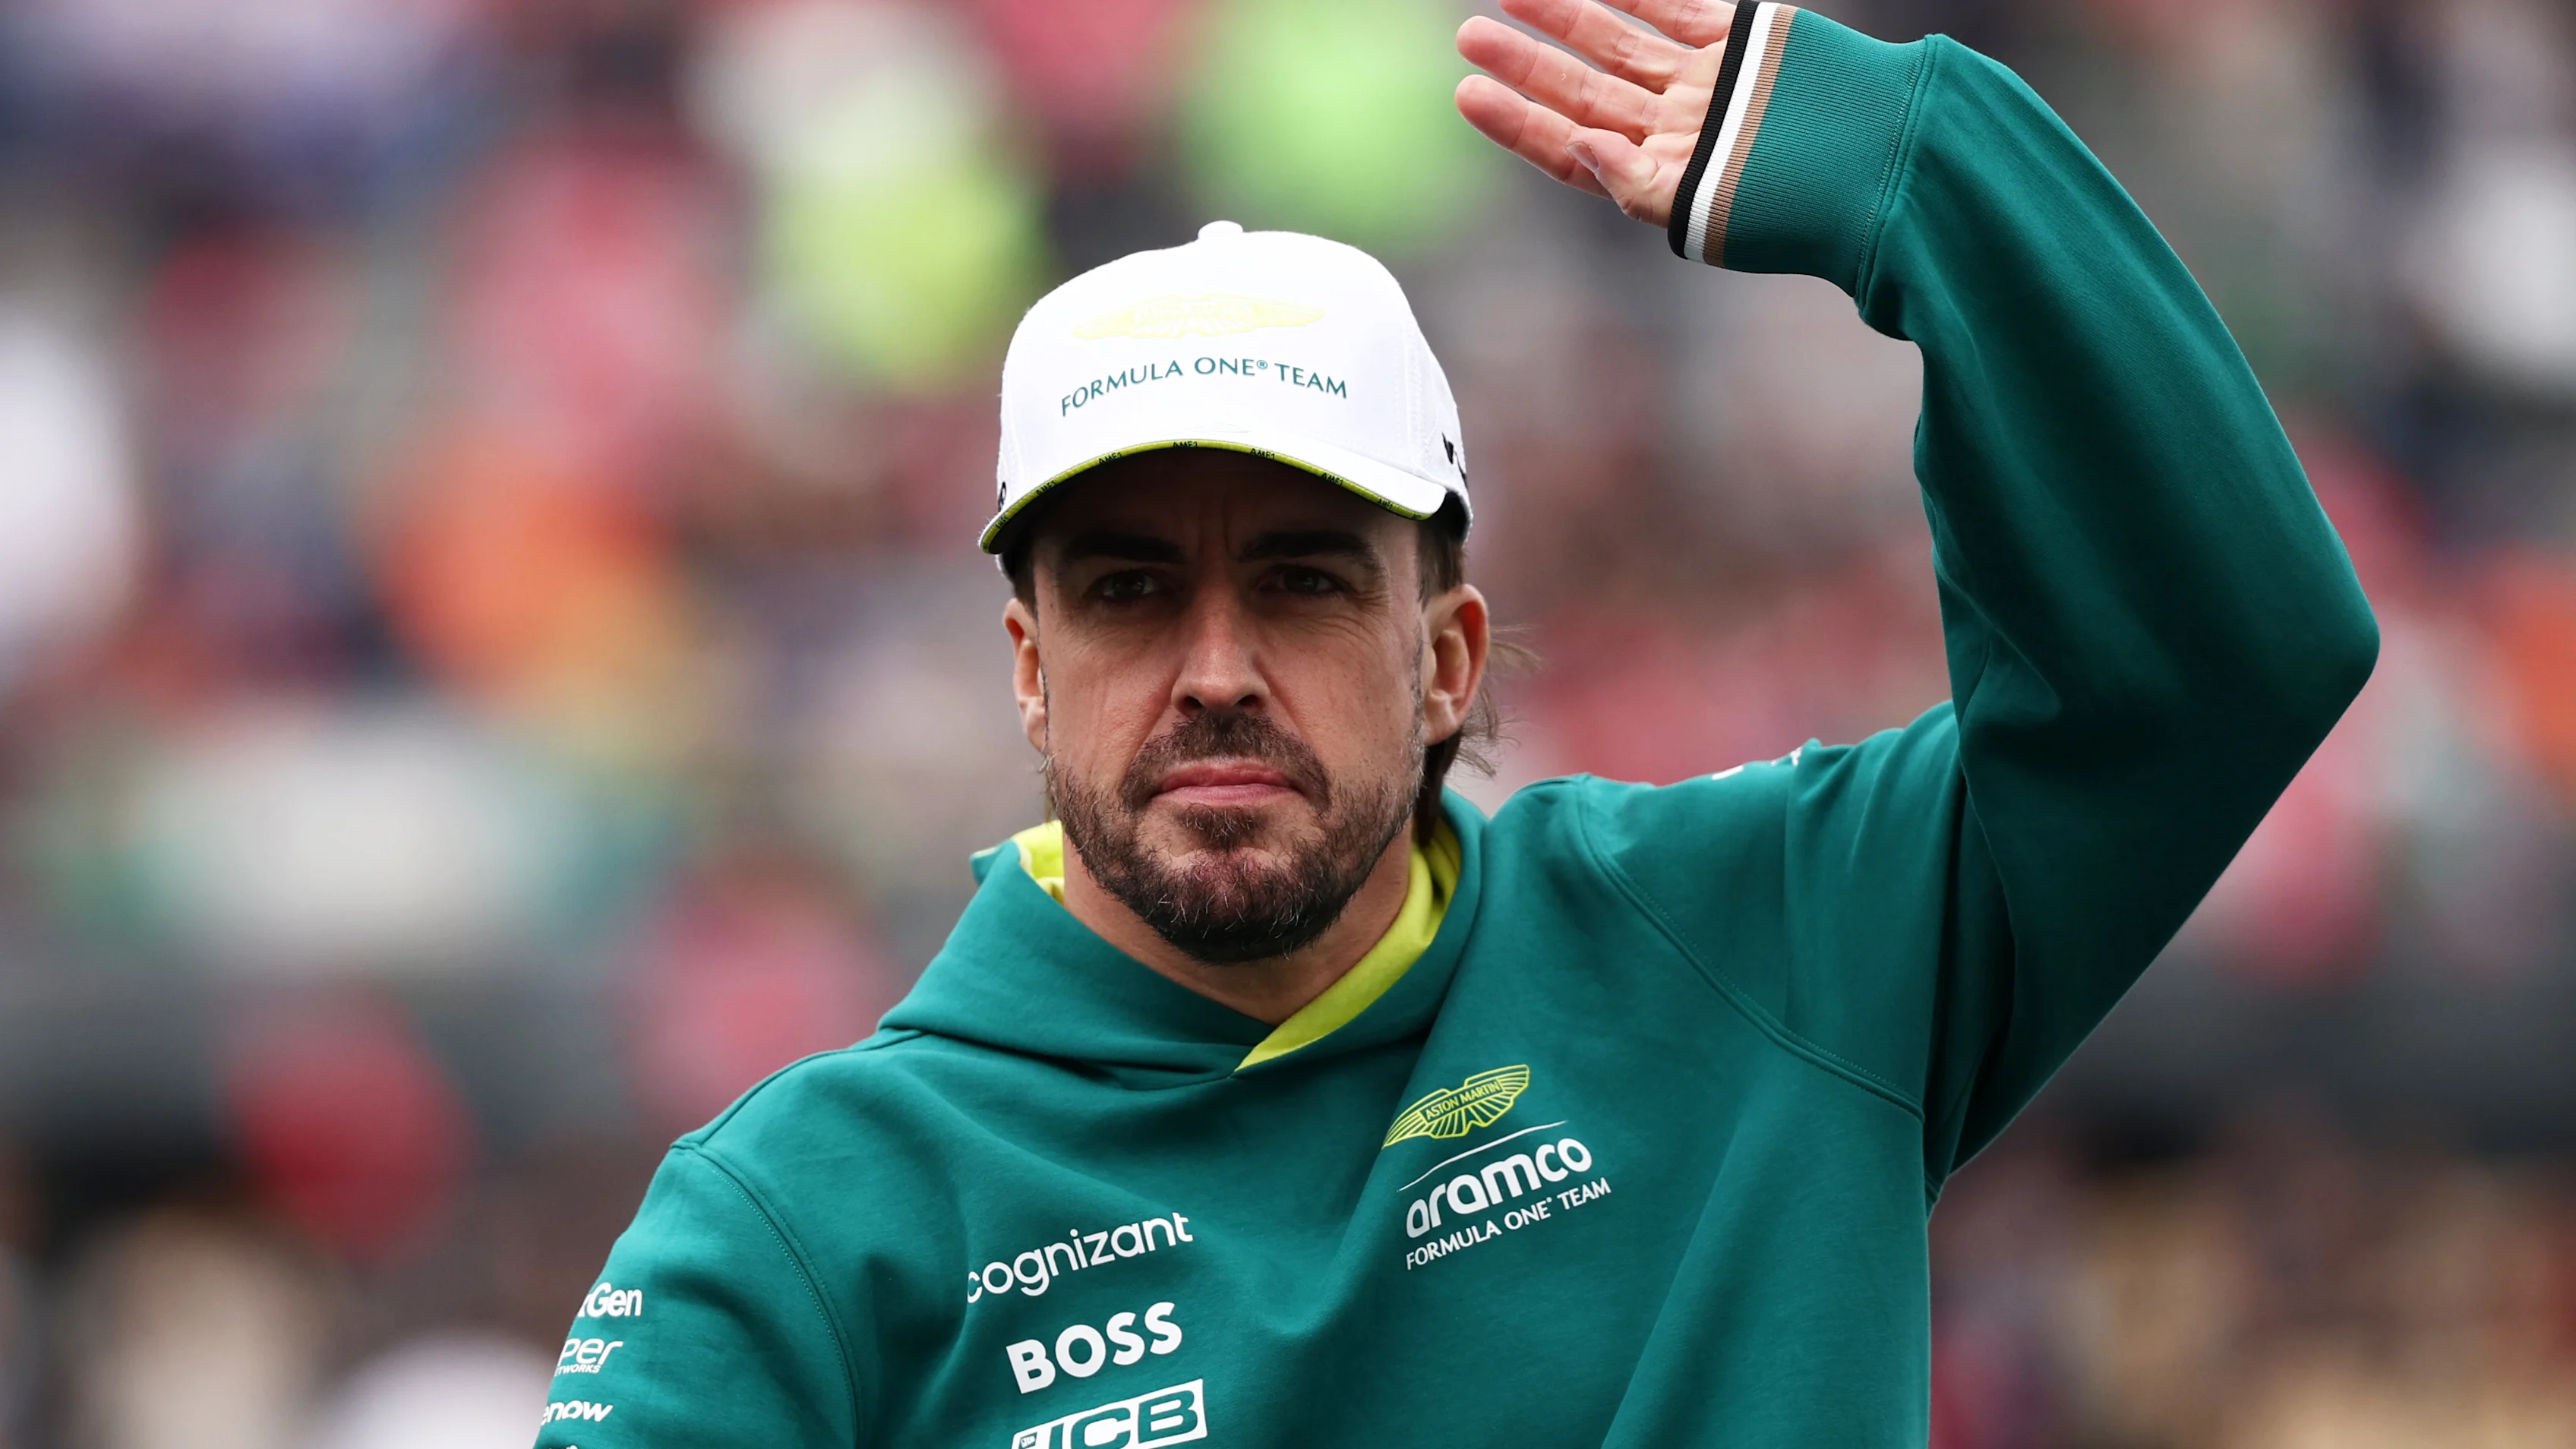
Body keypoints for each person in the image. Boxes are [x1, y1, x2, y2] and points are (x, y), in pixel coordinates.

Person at [534, 2, 2377, 1444]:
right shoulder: (796, 1226)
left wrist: (1921, 170)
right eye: (1124, 593)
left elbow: (2230, 660)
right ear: (1026, 665)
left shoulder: (1775, 940)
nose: (1216, 666)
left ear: (1449, 655)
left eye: (1308, 580)